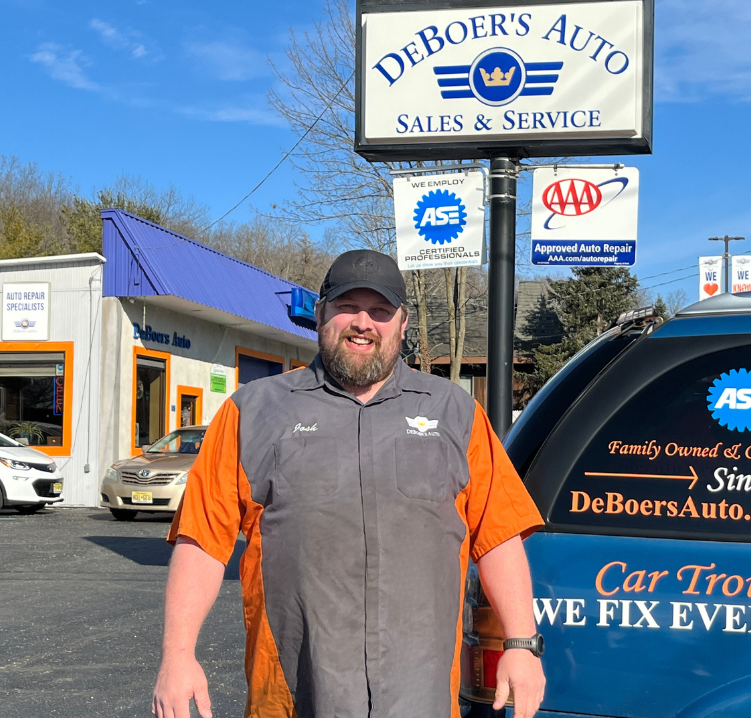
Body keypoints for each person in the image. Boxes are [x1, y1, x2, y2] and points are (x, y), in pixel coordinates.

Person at [152, 250, 546, 718]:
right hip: (295, 698)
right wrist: (177, 656)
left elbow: (498, 534)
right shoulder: (252, 412)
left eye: (380, 311)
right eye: (347, 307)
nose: (363, 323)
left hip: (419, 697)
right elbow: (202, 540)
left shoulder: (454, 414)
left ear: (402, 323)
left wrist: (521, 644)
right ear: (319, 315)